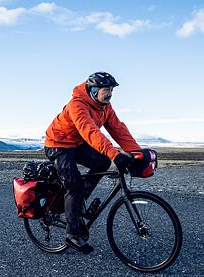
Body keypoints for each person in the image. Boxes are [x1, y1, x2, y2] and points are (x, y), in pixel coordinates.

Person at [44, 72, 141, 254]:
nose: (110, 93)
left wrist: (136, 152)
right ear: (94, 90)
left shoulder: (105, 107)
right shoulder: (77, 105)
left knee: (102, 162)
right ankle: (71, 234)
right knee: (74, 186)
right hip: (58, 144)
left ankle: (78, 202)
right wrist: (116, 155)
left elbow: (118, 129)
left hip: (77, 144)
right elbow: (90, 132)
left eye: (112, 90)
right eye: (107, 90)